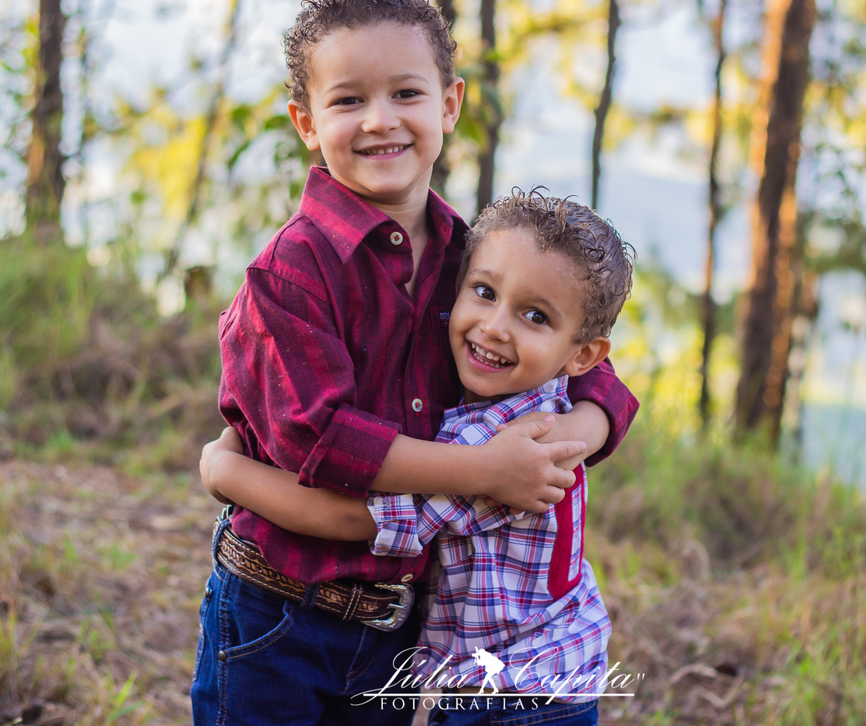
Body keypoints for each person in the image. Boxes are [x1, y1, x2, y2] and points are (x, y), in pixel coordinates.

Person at [190, 0, 638, 726]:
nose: (380, 120)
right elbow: (324, 444)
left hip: (397, 625)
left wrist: (565, 440)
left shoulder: (474, 258)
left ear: (449, 104)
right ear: (306, 122)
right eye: (347, 100)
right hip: (278, 612)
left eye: (406, 93)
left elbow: (590, 372)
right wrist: (487, 469)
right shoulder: (292, 275)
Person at [202, 192, 636, 726]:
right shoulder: (541, 399)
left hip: (510, 693)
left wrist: (226, 472)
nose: (495, 327)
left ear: (582, 355)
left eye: (534, 315)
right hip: (541, 673)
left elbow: (354, 519)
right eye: (484, 293)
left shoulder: (498, 442)